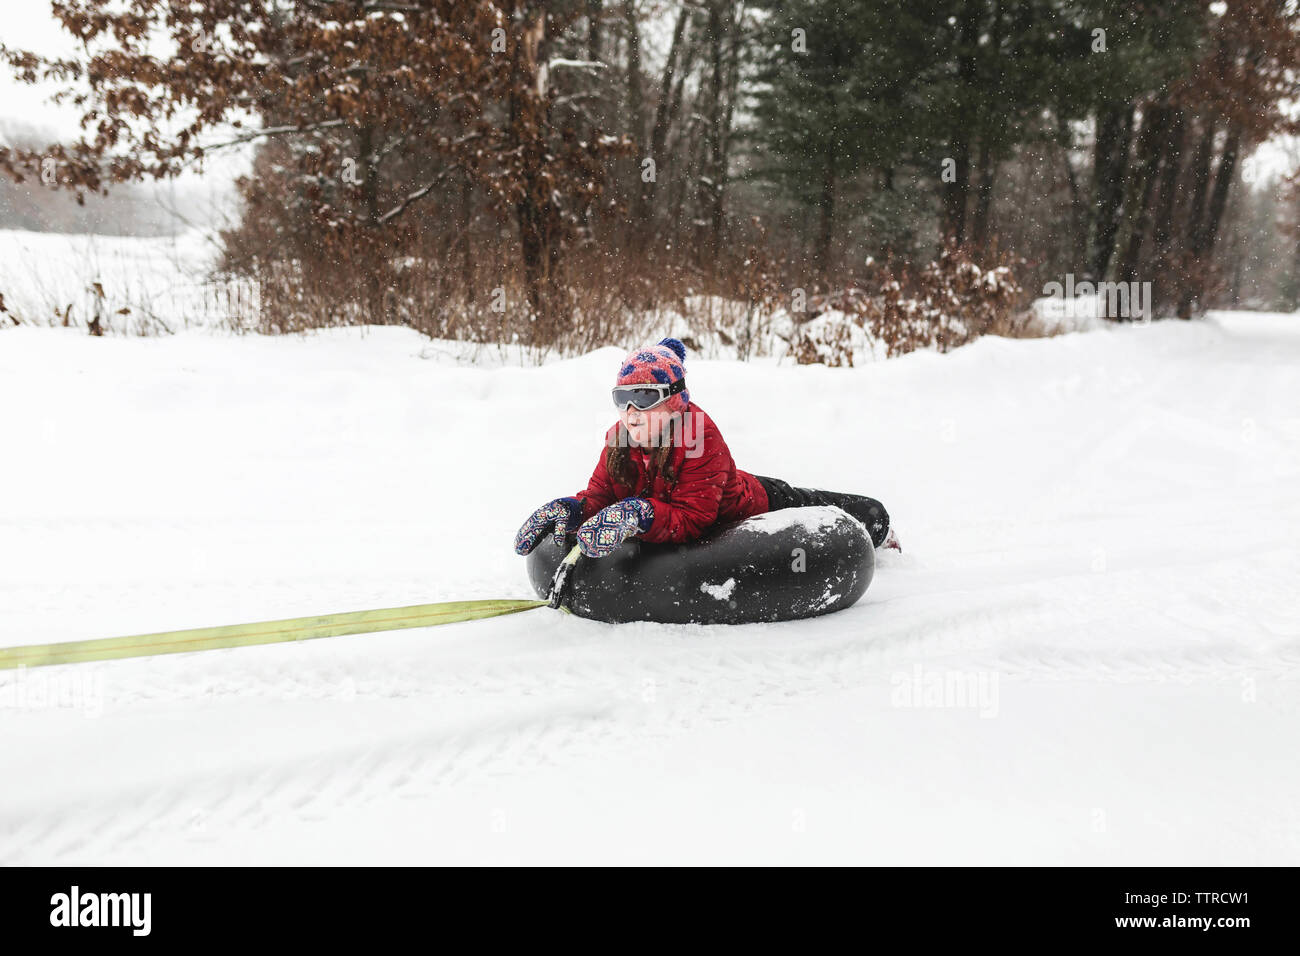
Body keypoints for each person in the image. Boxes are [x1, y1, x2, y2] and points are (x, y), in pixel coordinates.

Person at [513, 337, 899, 559]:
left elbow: (694, 518)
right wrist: (575, 509)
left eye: (645, 398)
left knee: (808, 501)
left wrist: (640, 514)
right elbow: (601, 495)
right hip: (715, 491)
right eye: (622, 398)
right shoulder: (619, 440)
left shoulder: (699, 437)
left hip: (751, 501)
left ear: (675, 401)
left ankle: (879, 525)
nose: (631, 412)